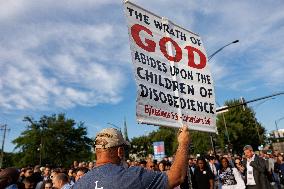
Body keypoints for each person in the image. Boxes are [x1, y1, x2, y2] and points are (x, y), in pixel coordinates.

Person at [73, 126, 190, 189]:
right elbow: (176, 177)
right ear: (120, 151)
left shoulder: (78, 184)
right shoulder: (132, 176)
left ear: (96, 152)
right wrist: (183, 143)